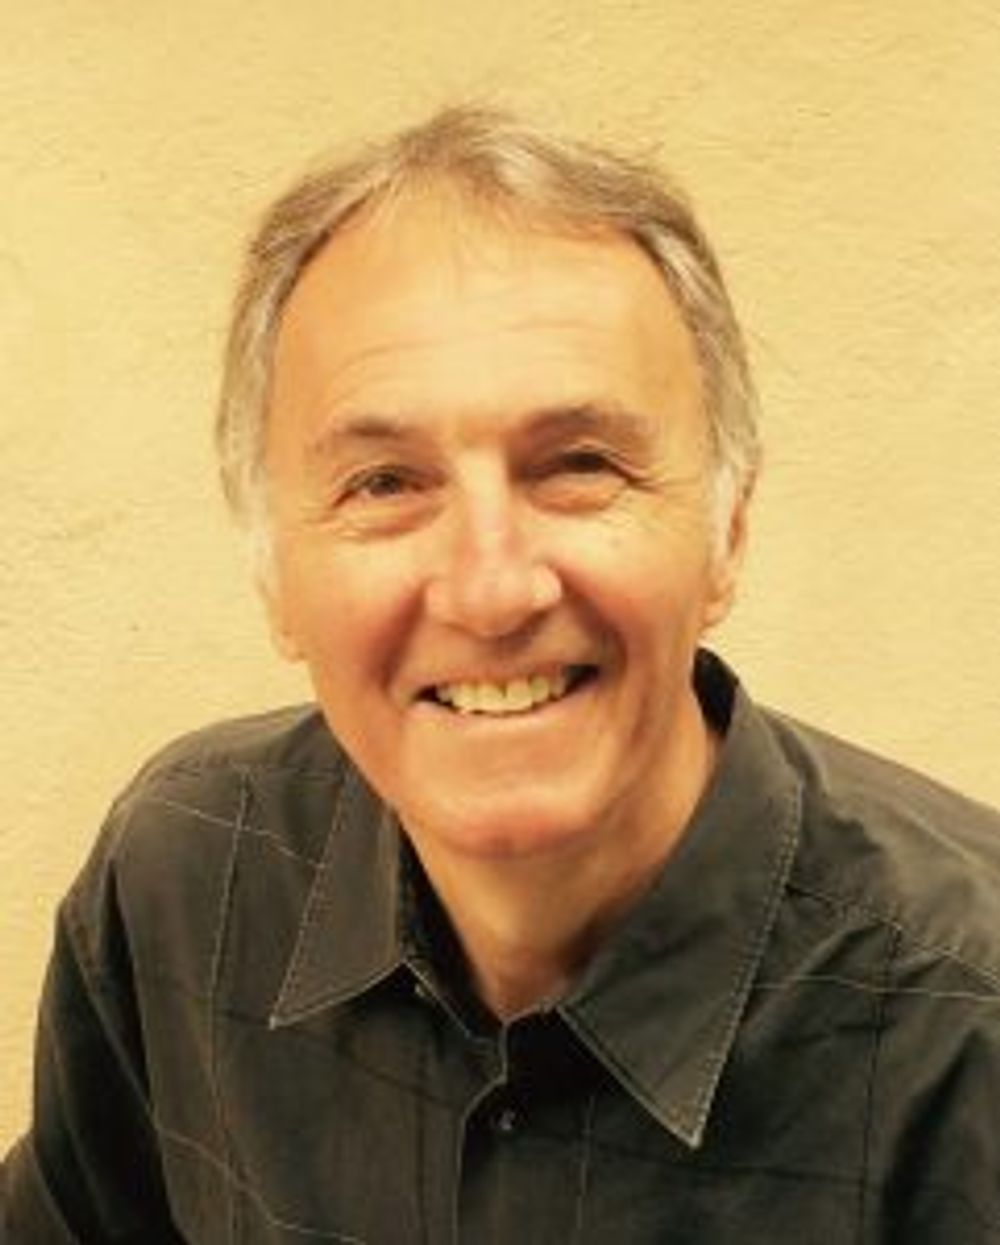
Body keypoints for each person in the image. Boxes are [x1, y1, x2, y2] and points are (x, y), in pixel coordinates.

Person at [3, 105, 999, 1244]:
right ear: (273, 574)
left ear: (727, 531)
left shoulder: (970, 1032)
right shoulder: (184, 881)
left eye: (579, 465)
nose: (490, 589)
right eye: (384, 484)